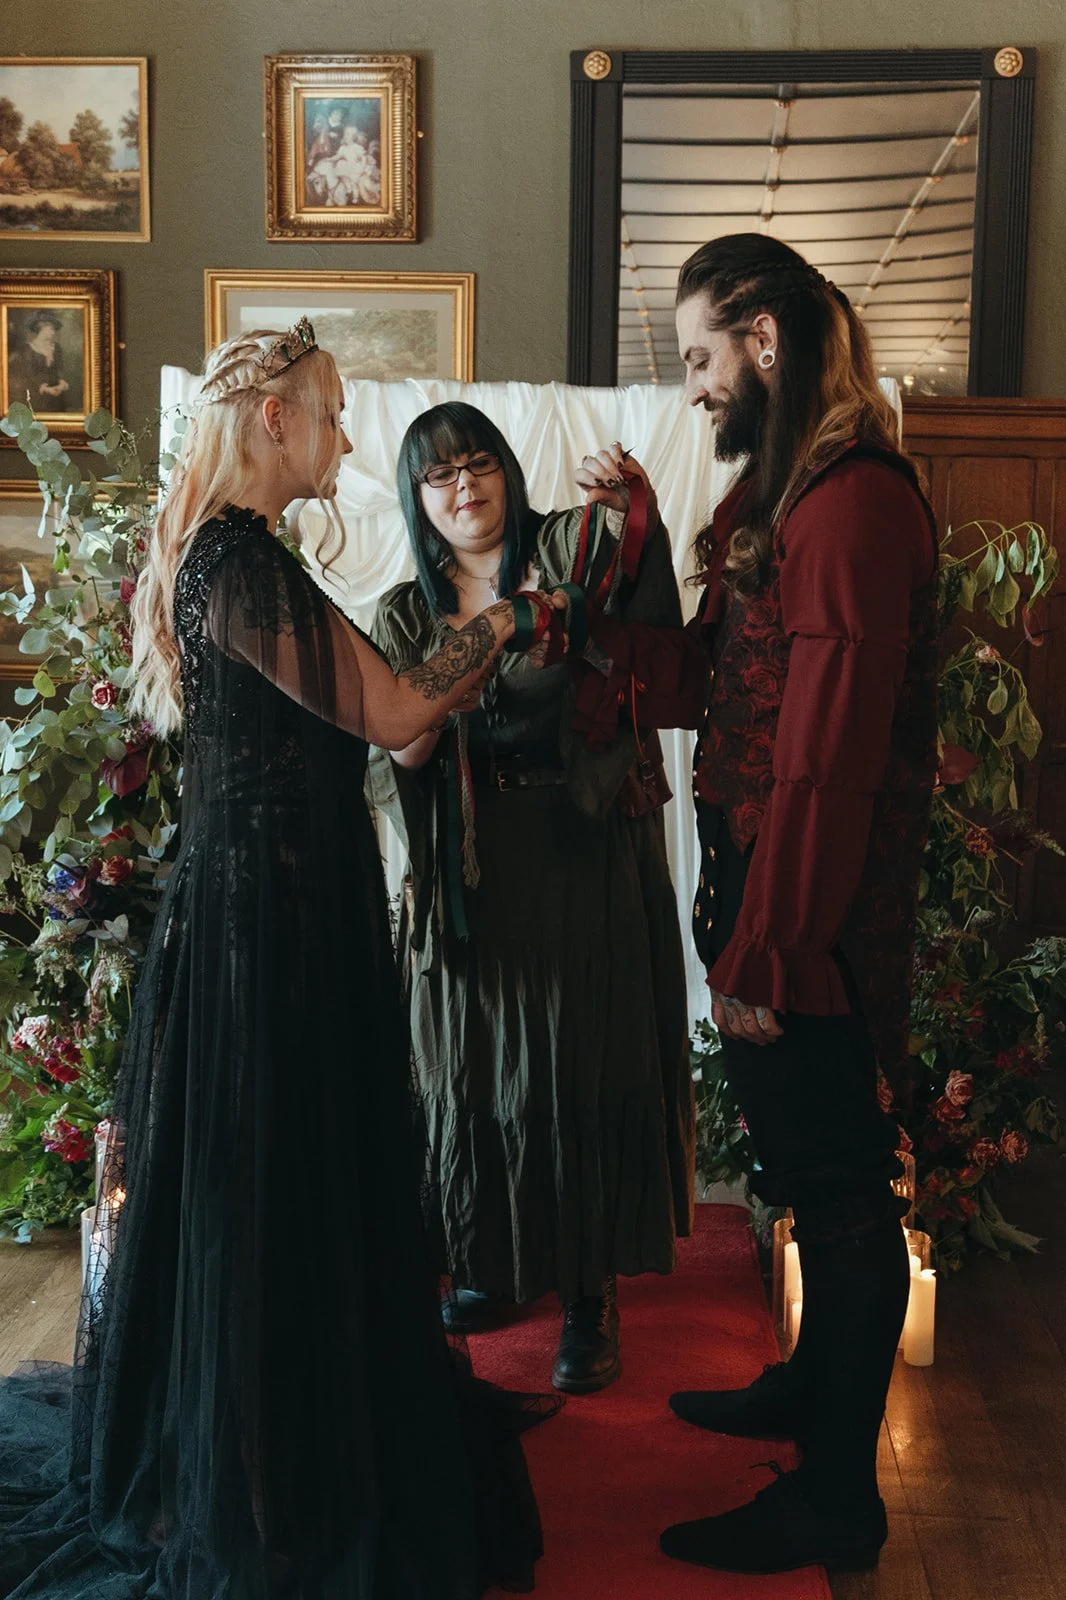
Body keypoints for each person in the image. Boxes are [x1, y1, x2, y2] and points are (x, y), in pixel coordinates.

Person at [0, 323, 554, 1599]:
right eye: (333, 412)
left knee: (286, 1188)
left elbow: (391, 732)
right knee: (269, 1191)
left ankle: (288, 1444)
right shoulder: (237, 562)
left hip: (279, 913)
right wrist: (512, 615)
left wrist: (453, 666)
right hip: (267, 929)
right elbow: (403, 710)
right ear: (272, 420)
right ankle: (268, 1481)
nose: (346, 437)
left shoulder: (238, 559)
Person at [568, 235, 938, 1573]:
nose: (692, 388)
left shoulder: (854, 501)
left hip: (808, 917)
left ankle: (839, 1497)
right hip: (758, 890)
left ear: (764, 340)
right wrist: (624, 564)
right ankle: (807, 1395)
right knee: (803, 1178)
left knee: (840, 1197)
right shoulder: (781, 494)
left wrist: (773, 947)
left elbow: (827, 757)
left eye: (698, 357)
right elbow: (708, 684)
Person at [369, 402, 697, 1395]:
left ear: (507, 472)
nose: (462, 487)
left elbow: (646, 618)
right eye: (439, 476)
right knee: (476, 1074)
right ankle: (492, 1259)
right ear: (418, 500)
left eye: (477, 465)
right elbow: (392, 753)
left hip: (579, 849)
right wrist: (431, 714)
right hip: (470, 872)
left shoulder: (564, 552)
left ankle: (588, 1293)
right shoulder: (404, 612)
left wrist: (630, 501)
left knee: (577, 1065)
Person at [7, 311, 71, 412]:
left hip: (57, 394)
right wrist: (45, 389)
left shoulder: (56, 348)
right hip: (37, 395)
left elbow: (59, 369)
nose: (53, 332)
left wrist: (61, 383)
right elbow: (29, 375)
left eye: (54, 329)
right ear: (42, 328)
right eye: (51, 329)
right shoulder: (27, 349)